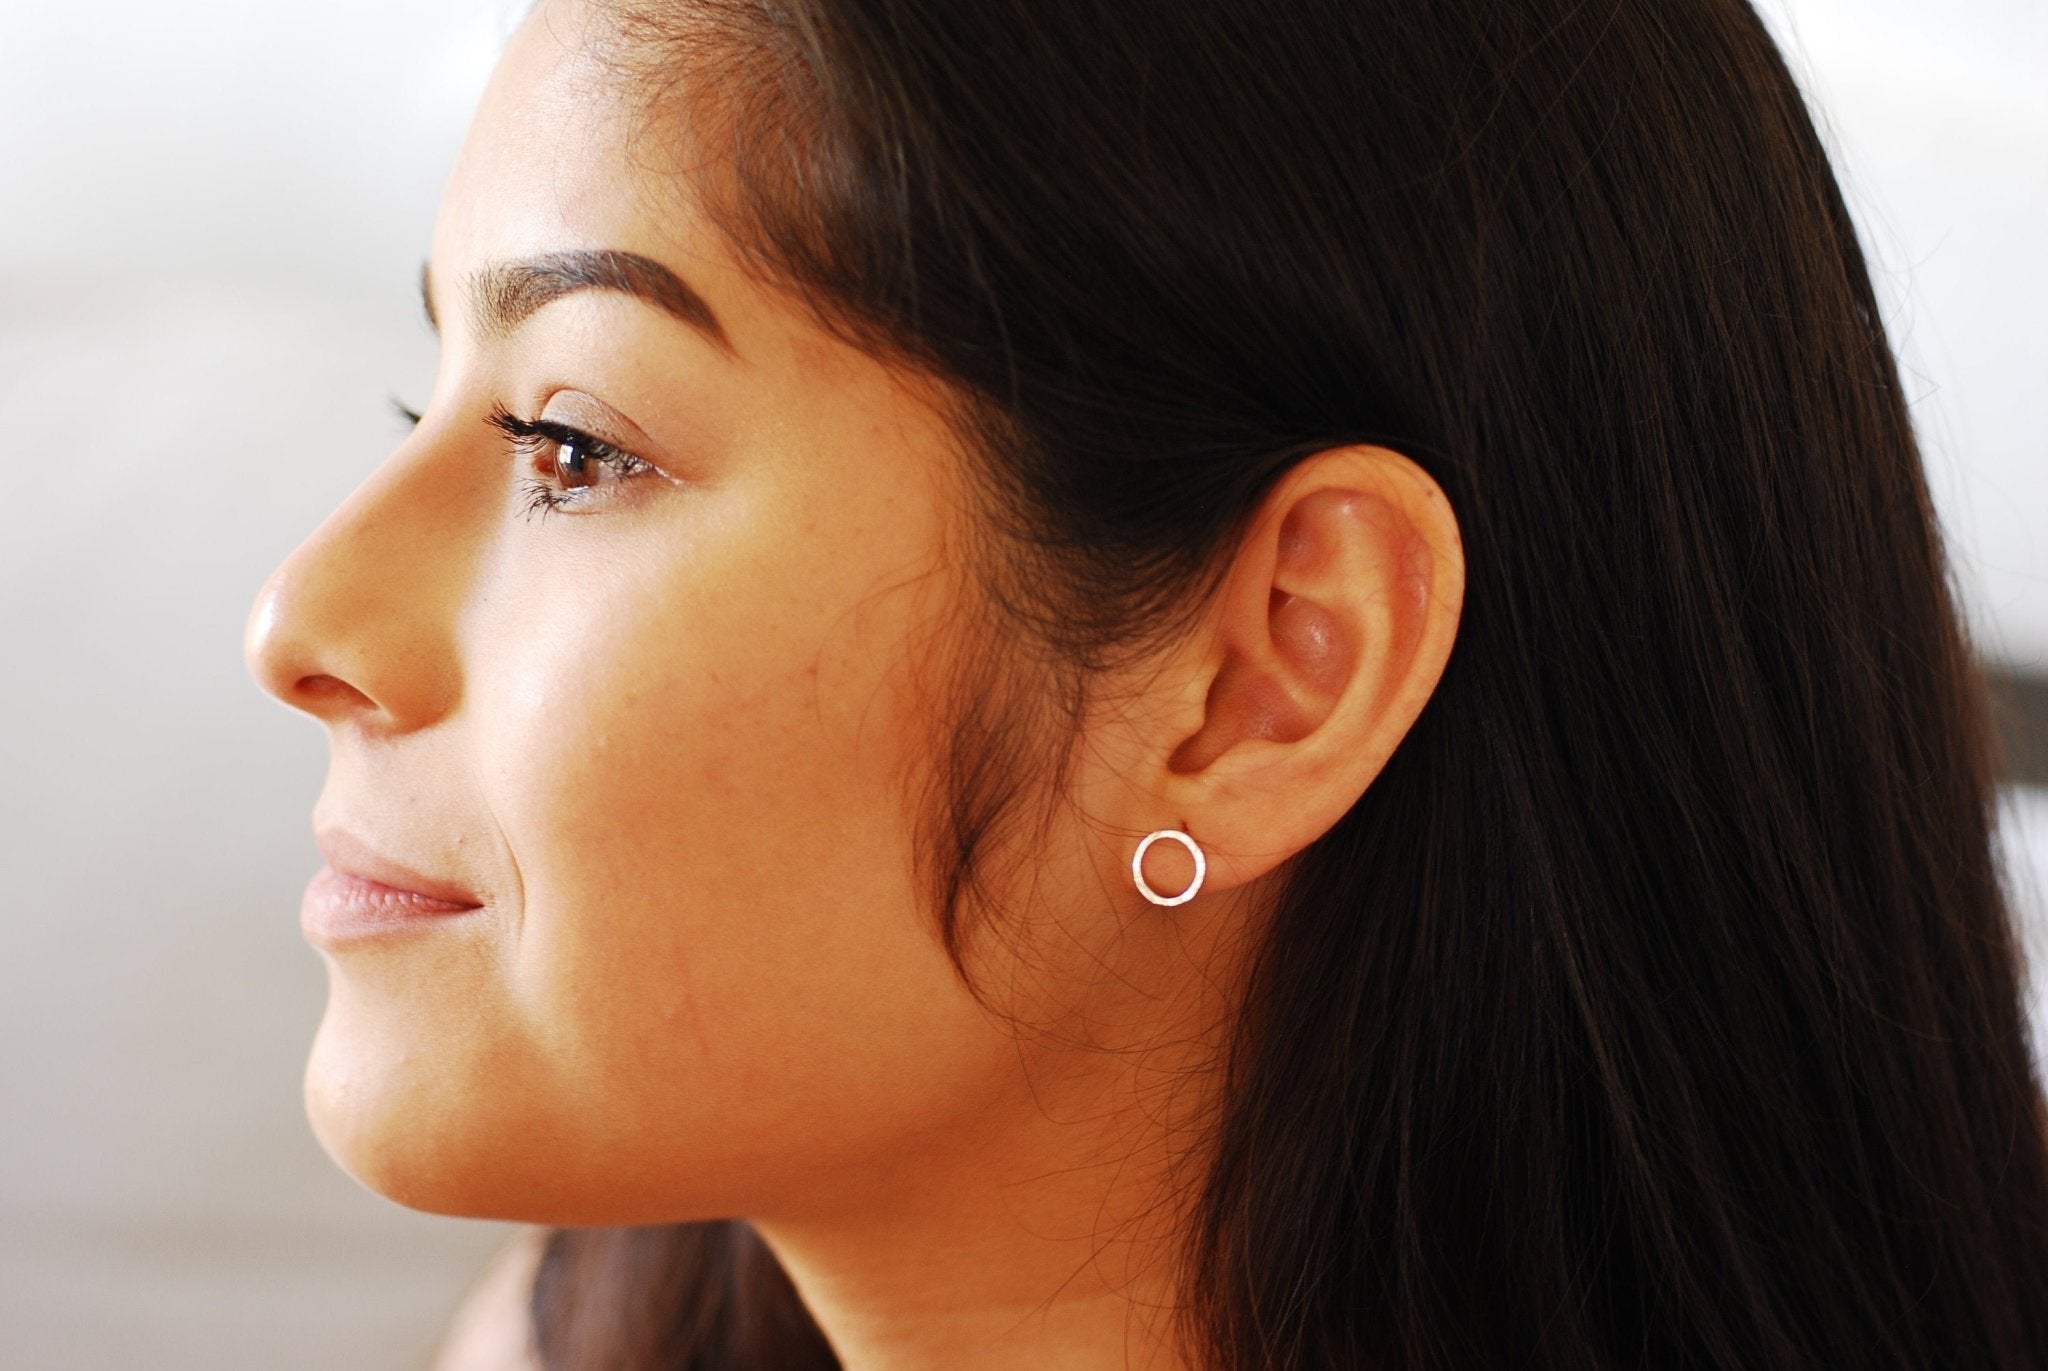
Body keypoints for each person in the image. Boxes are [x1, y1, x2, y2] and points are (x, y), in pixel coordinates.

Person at [242, 0, 2048, 1367]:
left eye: (574, 443)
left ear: (1268, 677)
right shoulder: (593, 1333)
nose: (302, 623)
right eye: (433, 401)